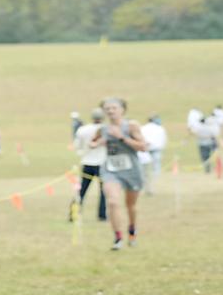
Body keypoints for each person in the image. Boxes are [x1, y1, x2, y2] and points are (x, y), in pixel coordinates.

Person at [89, 96, 148, 250]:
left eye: (114, 108)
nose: (110, 111)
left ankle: (132, 231)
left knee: (130, 205)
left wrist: (121, 138)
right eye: (107, 109)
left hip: (131, 170)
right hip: (111, 170)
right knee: (113, 201)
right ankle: (118, 238)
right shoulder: (103, 129)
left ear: (122, 110)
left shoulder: (131, 126)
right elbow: (92, 142)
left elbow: (143, 146)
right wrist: (96, 144)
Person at [69, 107, 107, 223]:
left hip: (87, 163)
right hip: (102, 163)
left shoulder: (82, 130)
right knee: (103, 192)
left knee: (81, 191)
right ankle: (102, 215)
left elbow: (77, 146)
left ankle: (73, 214)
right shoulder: (106, 129)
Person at [139, 113, 167, 187]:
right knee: (156, 167)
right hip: (155, 149)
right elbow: (163, 139)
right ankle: (155, 182)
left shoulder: (143, 128)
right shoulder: (160, 128)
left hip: (146, 149)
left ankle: (147, 183)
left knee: (145, 168)